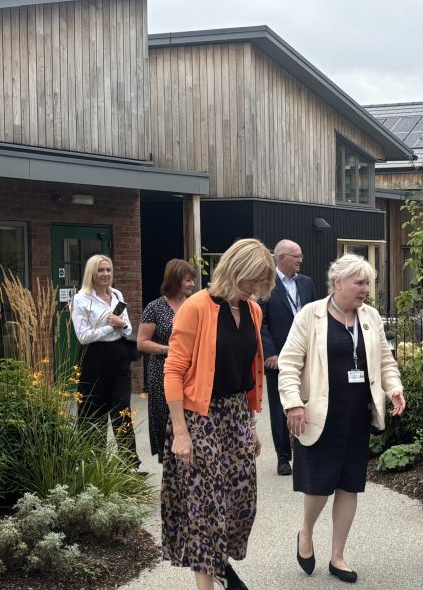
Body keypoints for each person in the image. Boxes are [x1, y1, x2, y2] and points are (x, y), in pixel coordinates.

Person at [278, 254, 406, 584]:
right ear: (338, 283)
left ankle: (338, 555)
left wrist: (394, 388)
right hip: (321, 416)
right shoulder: (312, 315)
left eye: (368, 283)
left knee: (350, 486)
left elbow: (385, 361)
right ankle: (305, 532)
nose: (366, 289)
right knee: (319, 486)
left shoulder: (371, 317)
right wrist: (293, 404)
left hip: (357, 416)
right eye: (359, 283)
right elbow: (289, 364)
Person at [161, 239, 274, 590]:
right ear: (234, 269)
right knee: (206, 509)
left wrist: (251, 424)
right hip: (200, 418)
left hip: (237, 415)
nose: (255, 288)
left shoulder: (253, 311)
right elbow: (173, 370)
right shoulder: (197, 307)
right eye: (251, 279)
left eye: (260, 282)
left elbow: (248, 371)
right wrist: (181, 431)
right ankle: (209, 581)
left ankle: (221, 564)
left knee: (242, 503)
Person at [70, 254, 136, 455]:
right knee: (93, 412)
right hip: (94, 359)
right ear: (91, 273)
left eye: (108, 270)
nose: (106, 274)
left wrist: (122, 325)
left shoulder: (116, 294)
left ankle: (130, 462)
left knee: (122, 408)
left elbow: (127, 326)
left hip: (119, 356)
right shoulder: (81, 299)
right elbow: (83, 336)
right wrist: (110, 327)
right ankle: (92, 461)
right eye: (101, 270)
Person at [260, 240, 317, 476]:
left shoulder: (306, 283)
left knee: (308, 403)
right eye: (297, 256)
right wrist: (270, 352)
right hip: (279, 358)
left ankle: (308, 452)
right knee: (280, 407)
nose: (300, 260)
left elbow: (316, 315)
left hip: (307, 355)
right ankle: (283, 457)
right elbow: (260, 321)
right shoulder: (266, 284)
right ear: (281, 257)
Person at [136, 259, 197, 463]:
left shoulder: (195, 305)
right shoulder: (155, 307)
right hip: (162, 371)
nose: (192, 284)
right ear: (175, 280)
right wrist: (169, 349)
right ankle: (169, 467)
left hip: (191, 371)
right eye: (188, 280)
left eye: (192, 280)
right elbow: (142, 343)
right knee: (166, 419)